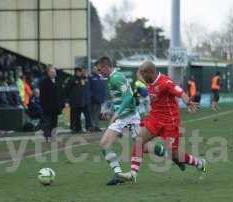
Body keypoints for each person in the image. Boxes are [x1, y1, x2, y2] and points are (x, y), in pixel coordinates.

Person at [121, 61, 207, 183]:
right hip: (155, 119)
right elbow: (139, 74)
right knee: (139, 139)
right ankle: (133, 174)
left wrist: (188, 102)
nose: (142, 78)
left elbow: (180, 92)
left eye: (143, 74)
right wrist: (140, 72)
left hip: (170, 123)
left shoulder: (165, 82)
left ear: (150, 73)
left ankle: (199, 162)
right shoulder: (148, 79)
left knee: (175, 155)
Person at [96, 56, 167, 186]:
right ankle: (163, 151)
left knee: (105, 144)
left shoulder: (116, 78)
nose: (100, 73)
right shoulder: (114, 77)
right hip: (127, 115)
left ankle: (118, 174)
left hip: (126, 116)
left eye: (100, 70)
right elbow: (121, 98)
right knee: (140, 145)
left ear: (107, 66)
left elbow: (128, 96)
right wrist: (111, 110)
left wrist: (117, 113)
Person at [39, 65, 62, 142]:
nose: (53, 73)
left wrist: (61, 103)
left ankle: (53, 136)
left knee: (54, 122)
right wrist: (44, 105)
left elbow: (61, 93)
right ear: (48, 73)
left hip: (56, 106)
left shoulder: (58, 81)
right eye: (52, 72)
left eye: (54, 72)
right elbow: (42, 96)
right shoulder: (44, 82)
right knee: (47, 122)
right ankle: (47, 136)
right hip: (47, 106)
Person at [66, 67, 85, 133]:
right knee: (73, 115)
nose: (80, 73)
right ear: (76, 72)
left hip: (80, 100)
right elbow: (67, 89)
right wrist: (69, 98)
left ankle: (79, 128)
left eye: (80, 72)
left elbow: (83, 88)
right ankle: (73, 128)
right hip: (73, 100)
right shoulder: (71, 79)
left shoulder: (81, 79)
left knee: (78, 115)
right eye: (79, 72)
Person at [89, 64, 106, 132]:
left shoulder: (100, 77)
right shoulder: (90, 78)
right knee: (92, 113)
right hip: (93, 100)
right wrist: (91, 97)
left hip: (99, 99)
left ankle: (96, 126)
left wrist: (103, 97)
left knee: (97, 113)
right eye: (94, 69)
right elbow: (89, 89)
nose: (95, 70)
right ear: (92, 70)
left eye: (96, 69)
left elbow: (102, 88)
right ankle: (93, 126)